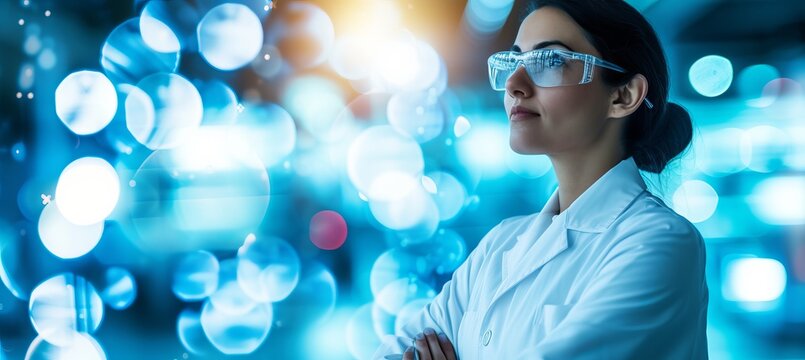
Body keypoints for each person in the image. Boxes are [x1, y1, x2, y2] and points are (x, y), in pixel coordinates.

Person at [373, 0, 709, 359]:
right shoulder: (501, 244)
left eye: (549, 62)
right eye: (513, 62)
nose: (514, 84)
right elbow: (391, 351)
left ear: (623, 96)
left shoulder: (658, 242)